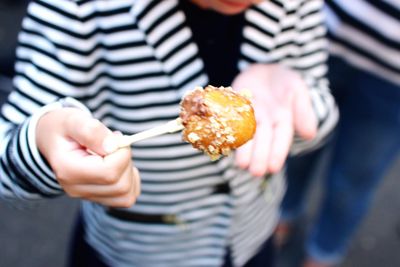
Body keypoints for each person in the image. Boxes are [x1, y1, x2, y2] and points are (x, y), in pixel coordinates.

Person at [0, 0, 337, 266]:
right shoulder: (80, 8)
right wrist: (42, 144)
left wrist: (298, 98)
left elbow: (322, 104)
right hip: (136, 251)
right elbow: (6, 158)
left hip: (250, 234)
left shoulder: (297, 4)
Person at [278, 0, 400, 266]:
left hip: (394, 78)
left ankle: (323, 251)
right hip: (323, 37)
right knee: (294, 150)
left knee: (354, 178)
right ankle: (282, 215)